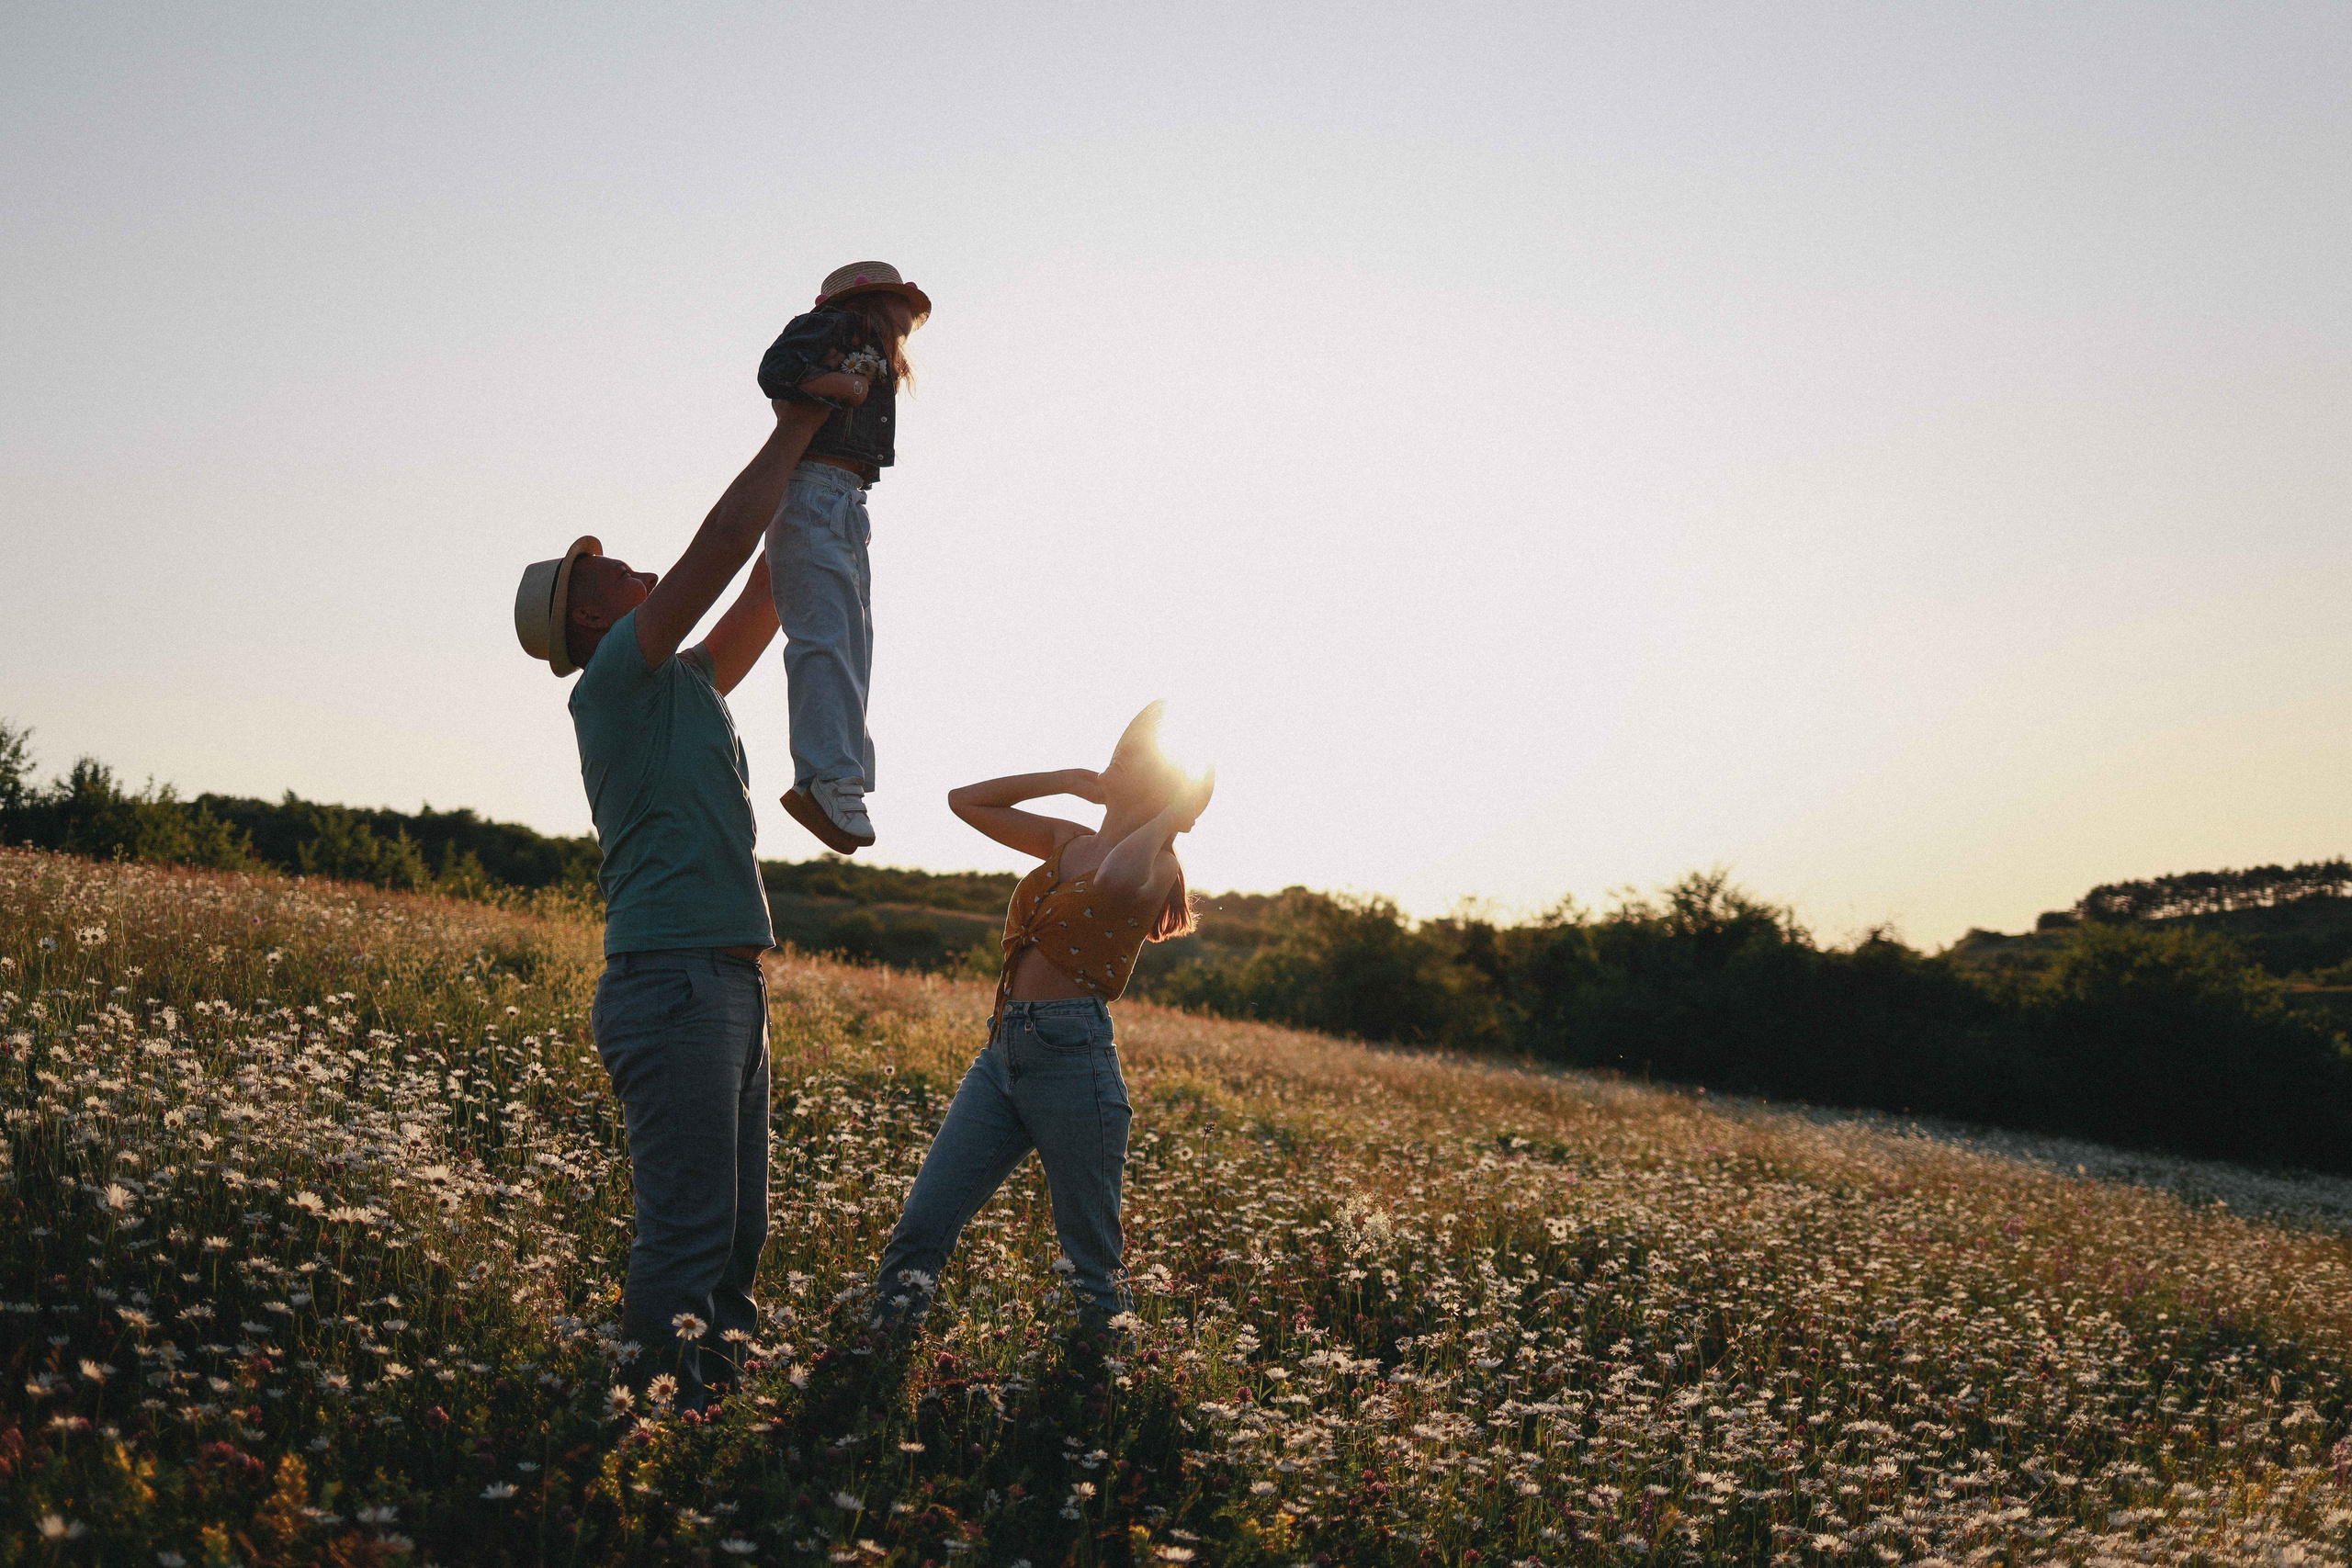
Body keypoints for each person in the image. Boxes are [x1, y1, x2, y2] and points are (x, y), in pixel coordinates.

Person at [510, 374, 863, 1409]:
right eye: (608, 569)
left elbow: (763, 584)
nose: (627, 563)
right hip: (672, 988)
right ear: (589, 612)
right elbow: (716, 548)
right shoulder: (613, 677)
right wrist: (793, 423)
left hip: (722, 984)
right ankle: (642, 1428)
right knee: (690, 1228)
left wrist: (830, 479)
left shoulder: (689, 683)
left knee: (737, 1232)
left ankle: (701, 1412)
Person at [867, 702, 1214, 1332]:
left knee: (1093, 1266)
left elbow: (1112, 885)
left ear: (1165, 786)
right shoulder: (1065, 838)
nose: (1117, 759)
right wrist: (1060, 778)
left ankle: (1106, 1391)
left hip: (1073, 1060)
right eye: (1120, 747)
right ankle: (872, 1360)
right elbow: (964, 800)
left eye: (1135, 756)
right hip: (1002, 1055)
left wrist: (1173, 817)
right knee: (921, 1225)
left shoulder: (1158, 864)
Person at [755, 260, 932, 855]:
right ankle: (829, 773)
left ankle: (840, 774)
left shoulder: (870, 346)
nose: (910, 315)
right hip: (813, 487)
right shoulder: (832, 328)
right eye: (901, 301)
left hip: (845, 498)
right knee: (827, 635)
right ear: (873, 300)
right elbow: (774, 370)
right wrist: (831, 386)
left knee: (855, 641)